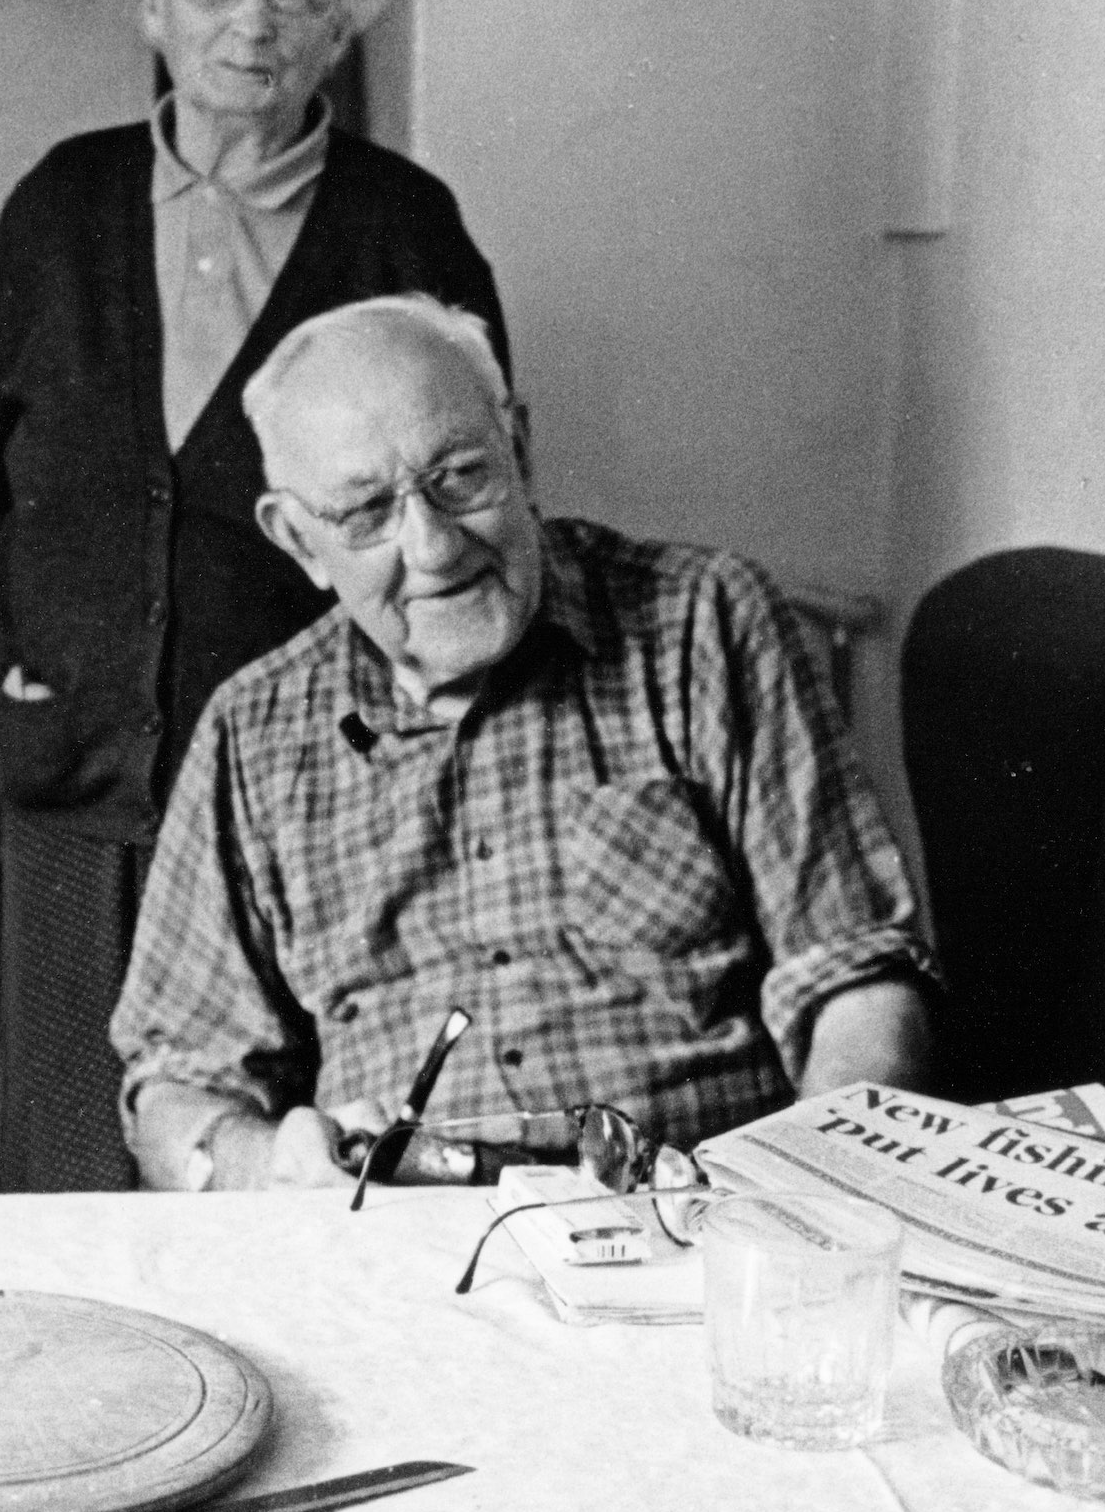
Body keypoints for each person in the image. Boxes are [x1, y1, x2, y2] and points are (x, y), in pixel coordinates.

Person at [0, 0, 509, 1192]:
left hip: (320, 791)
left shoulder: (402, 225)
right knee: (73, 1158)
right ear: (150, 2)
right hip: (80, 778)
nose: (252, 25)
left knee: (287, 1165)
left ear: (342, 28)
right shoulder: (62, 203)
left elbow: (477, 500)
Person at [110, 295, 937, 1191]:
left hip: (696, 1222)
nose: (431, 548)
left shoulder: (705, 623)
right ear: (298, 541)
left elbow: (857, 978)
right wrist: (266, 1161)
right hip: (404, 1253)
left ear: (521, 450)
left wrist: (794, 1206)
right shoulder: (253, 733)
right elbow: (175, 1087)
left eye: (460, 477)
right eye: (366, 514)